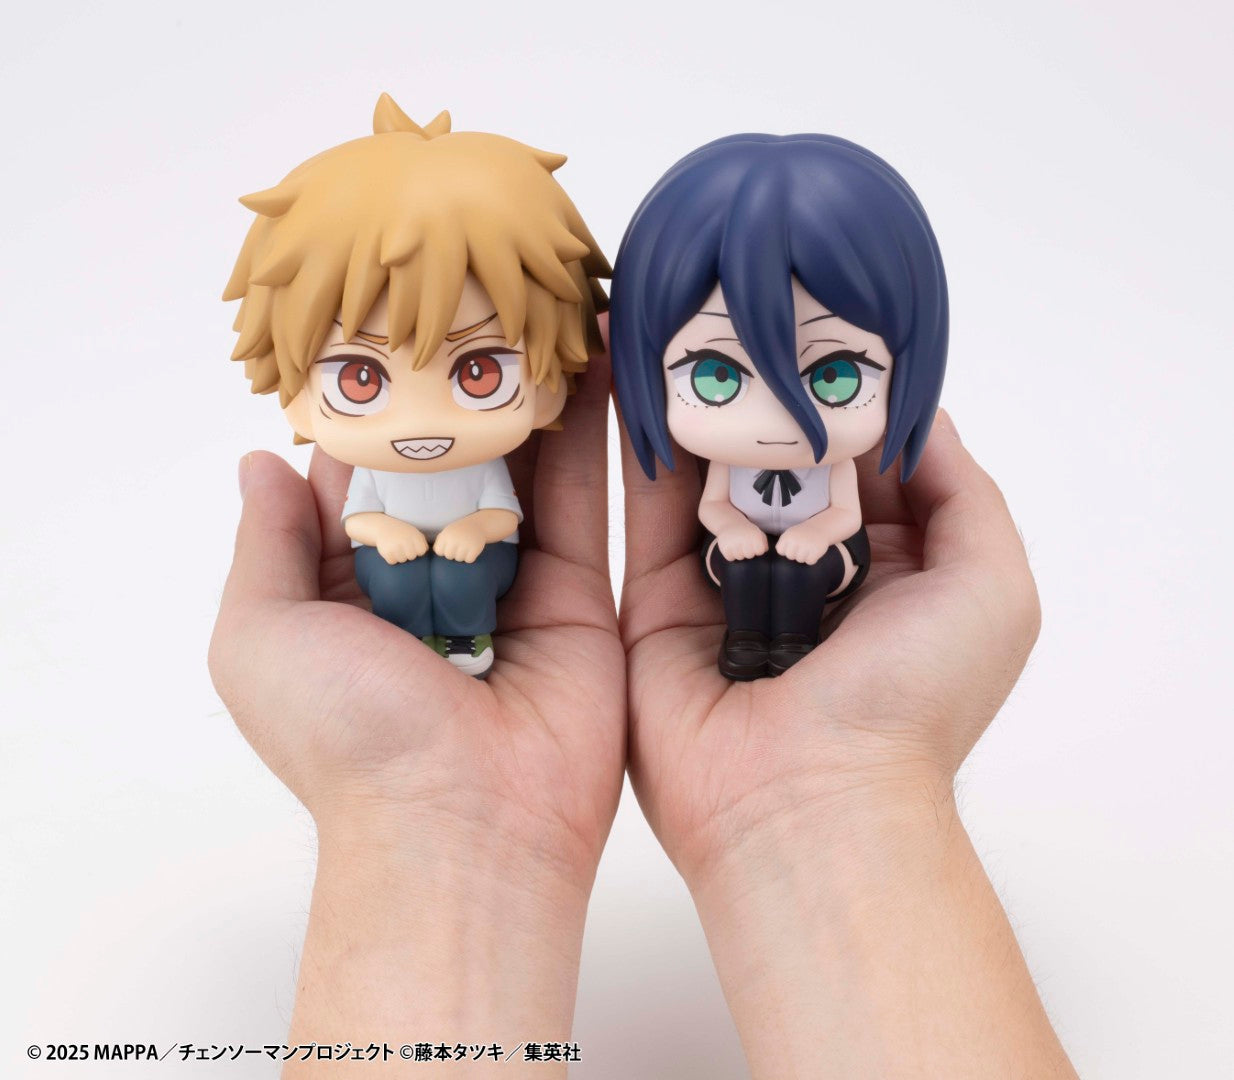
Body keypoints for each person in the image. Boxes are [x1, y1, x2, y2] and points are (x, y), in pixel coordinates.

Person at [210, 320, 1077, 1076]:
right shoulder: (382, 476)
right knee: (410, 580)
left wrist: (847, 786)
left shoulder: (829, 471)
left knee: (777, 579)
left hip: (795, 558)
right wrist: (423, 809)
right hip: (627, 554)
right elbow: (715, 505)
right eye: (719, 376)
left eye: (835, 375)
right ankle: (734, 637)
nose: (423, 418)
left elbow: (834, 516)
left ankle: (750, 643)